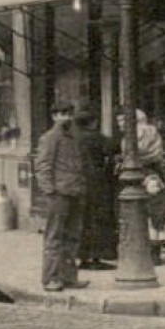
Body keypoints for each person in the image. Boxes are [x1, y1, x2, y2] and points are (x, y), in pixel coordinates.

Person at [33, 104, 89, 292]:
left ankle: (69, 277)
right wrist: (50, 191)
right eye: (62, 115)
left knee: (72, 237)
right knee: (54, 237)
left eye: (69, 114)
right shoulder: (49, 138)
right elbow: (42, 166)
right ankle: (50, 278)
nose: (67, 118)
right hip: (59, 194)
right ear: (54, 117)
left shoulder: (74, 138)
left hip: (75, 192)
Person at [121, 107, 165, 263]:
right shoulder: (152, 131)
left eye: (123, 120)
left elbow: (135, 152)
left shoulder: (138, 133)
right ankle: (155, 250)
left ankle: (146, 251)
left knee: (145, 211)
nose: (121, 124)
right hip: (154, 172)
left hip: (141, 172)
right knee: (156, 210)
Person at [75, 110, 119, 271]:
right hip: (96, 182)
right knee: (98, 218)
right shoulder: (95, 137)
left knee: (83, 220)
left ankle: (83, 257)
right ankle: (95, 257)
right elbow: (114, 147)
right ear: (93, 121)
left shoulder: (74, 138)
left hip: (78, 181)